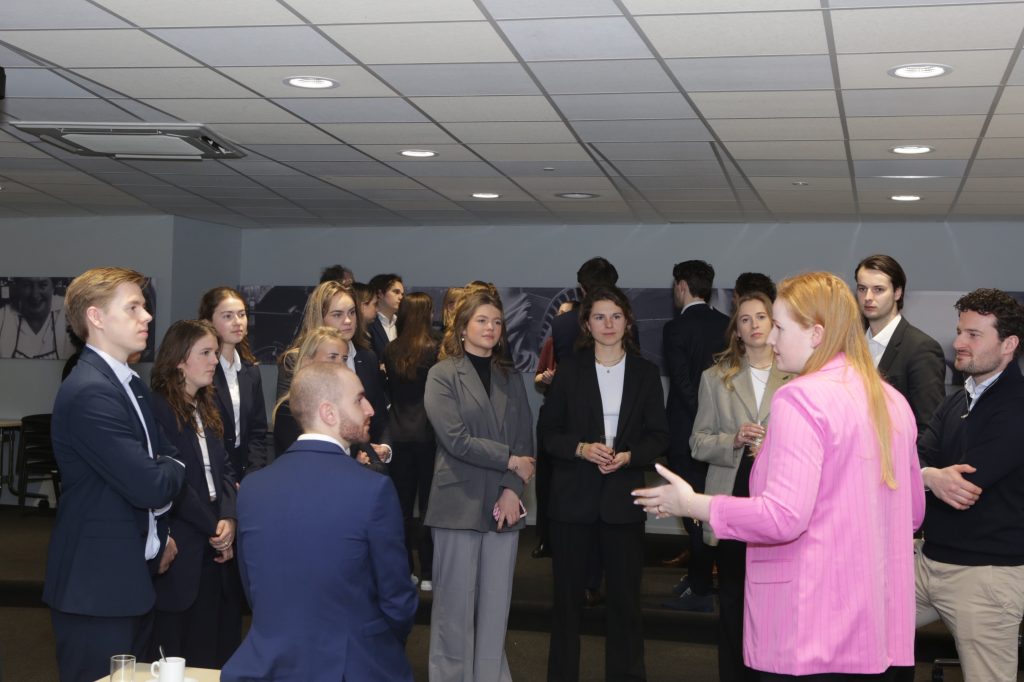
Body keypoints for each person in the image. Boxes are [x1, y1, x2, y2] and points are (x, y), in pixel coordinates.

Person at [634, 271, 924, 679]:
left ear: (817, 334)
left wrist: (692, 504)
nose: (770, 338)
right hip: (877, 628)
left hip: (810, 627)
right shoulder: (891, 400)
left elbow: (783, 517)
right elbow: (912, 512)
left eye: (780, 327)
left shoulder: (800, 398)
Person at [222, 362, 418, 682]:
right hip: (352, 666)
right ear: (328, 413)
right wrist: (378, 644)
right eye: (359, 400)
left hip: (269, 666)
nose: (370, 408)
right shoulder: (372, 489)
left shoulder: (252, 490)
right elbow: (397, 598)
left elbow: (254, 590)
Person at [44, 267, 185, 682]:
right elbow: (152, 481)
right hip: (96, 589)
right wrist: (170, 468)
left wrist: (158, 533)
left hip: (127, 579)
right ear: (96, 317)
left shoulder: (131, 384)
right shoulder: (91, 390)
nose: (147, 317)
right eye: (134, 307)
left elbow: (168, 458)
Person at [541, 286, 669, 682]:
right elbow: (549, 434)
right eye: (600, 316)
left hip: (623, 501)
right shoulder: (570, 370)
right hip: (573, 501)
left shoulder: (646, 373)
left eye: (616, 316)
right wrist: (580, 448)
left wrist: (631, 456)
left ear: (627, 321)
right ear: (587, 323)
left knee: (626, 607)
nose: (608, 324)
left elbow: (659, 437)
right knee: (566, 606)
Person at [423, 289, 535, 682]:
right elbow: (455, 439)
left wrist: (511, 490)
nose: (490, 328)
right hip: (457, 502)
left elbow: (526, 441)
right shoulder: (442, 374)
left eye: (497, 322)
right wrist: (508, 460)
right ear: (463, 326)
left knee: (494, 610)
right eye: (482, 320)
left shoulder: (510, 375)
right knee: (453, 609)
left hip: (503, 504)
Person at [914, 288, 1024, 681]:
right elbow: (917, 458)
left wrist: (932, 475)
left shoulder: (1017, 406)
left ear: (1008, 344)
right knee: (858, 633)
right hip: (928, 562)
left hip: (985, 576)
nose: (958, 343)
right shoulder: (956, 401)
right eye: (960, 331)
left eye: (974, 335)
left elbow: (964, 485)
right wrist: (929, 476)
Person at [689, 292, 792, 682]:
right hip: (734, 499)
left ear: (775, 323)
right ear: (737, 330)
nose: (754, 325)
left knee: (775, 600)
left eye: (761, 317)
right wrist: (732, 439)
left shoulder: (800, 375)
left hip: (780, 499)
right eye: (745, 319)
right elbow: (697, 443)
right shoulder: (715, 378)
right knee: (732, 598)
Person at [149, 320, 238, 668]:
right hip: (184, 539)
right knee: (175, 653)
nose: (214, 360)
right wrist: (213, 527)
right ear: (178, 360)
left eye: (215, 352)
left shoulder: (206, 406)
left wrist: (229, 517)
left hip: (214, 538)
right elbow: (174, 483)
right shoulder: (158, 409)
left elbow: (226, 470)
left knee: (209, 649)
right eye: (205, 353)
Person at [661, 259, 729, 610]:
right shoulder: (726, 324)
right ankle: (704, 578)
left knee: (692, 512)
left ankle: (701, 584)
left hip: (687, 432)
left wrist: (701, 414)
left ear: (682, 286)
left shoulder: (676, 329)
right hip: (723, 434)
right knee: (713, 506)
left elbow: (683, 383)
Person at [276, 281, 392, 464]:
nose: (348, 321)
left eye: (352, 312)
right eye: (337, 314)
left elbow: (378, 416)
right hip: (313, 465)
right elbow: (290, 425)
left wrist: (384, 448)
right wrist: (349, 462)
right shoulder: (295, 360)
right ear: (319, 318)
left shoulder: (367, 358)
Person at [384, 292, 441, 591]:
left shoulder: (391, 350)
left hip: (397, 434)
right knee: (430, 507)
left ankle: (406, 569)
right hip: (428, 436)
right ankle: (430, 572)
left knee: (402, 510)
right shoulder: (435, 349)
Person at [273, 327, 386, 473]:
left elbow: (375, 462)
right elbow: (306, 467)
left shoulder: (346, 407)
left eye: (344, 358)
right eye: (332, 357)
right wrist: (354, 466)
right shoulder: (290, 409)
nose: (340, 364)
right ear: (308, 362)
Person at [855, 254, 945, 434]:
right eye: (862, 288)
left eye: (878, 289)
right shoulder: (850, 344)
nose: (868, 297)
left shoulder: (921, 349)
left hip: (898, 458)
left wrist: (909, 463)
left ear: (898, 292)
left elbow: (930, 426)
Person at [199, 287, 272, 478]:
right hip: (213, 471)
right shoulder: (202, 371)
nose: (237, 322)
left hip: (246, 471)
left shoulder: (251, 371)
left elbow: (258, 432)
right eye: (227, 316)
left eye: (241, 315)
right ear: (208, 323)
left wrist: (254, 472)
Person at [0, 276, 75, 359]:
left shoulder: (70, 314)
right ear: (19, 288)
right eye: (27, 285)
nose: (35, 295)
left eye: (43, 285)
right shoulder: (3, 317)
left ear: (53, 287)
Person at [368, 273, 405, 360]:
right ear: (380, 294)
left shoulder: (402, 324)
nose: (401, 297)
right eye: (396, 292)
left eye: (402, 294)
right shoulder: (368, 325)